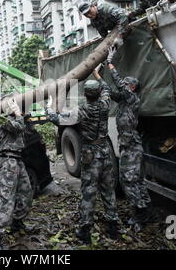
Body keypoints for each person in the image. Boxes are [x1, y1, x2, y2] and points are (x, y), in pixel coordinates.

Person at [48, 77, 119, 243]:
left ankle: (85, 231)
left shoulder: (81, 111)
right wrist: (100, 76)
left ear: (85, 94)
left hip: (91, 155)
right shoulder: (105, 105)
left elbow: (56, 119)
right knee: (108, 190)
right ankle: (113, 228)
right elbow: (107, 90)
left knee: (88, 192)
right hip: (105, 152)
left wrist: (49, 107)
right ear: (98, 93)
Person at [106, 47, 154, 231]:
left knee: (128, 180)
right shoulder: (124, 101)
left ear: (132, 87)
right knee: (135, 179)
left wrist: (110, 64)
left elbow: (118, 85)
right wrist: (98, 77)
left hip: (132, 145)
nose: (123, 86)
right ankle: (147, 210)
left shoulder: (132, 98)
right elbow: (111, 91)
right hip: (127, 145)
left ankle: (141, 213)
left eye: (126, 84)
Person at [0, 98, 34, 250]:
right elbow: (18, 127)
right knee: (7, 199)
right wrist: (18, 114)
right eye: (11, 103)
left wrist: (24, 114)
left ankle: (17, 222)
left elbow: (27, 130)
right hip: (8, 161)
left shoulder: (14, 117)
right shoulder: (1, 119)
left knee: (27, 193)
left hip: (17, 160)